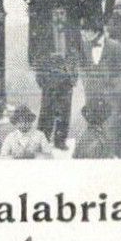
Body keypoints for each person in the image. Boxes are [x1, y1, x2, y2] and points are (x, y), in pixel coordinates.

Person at [35, 10, 79, 149]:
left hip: (66, 77)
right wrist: (40, 75)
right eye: (56, 14)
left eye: (62, 13)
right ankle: (43, 141)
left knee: (64, 110)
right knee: (47, 109)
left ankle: (60, 141)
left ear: (66, 16)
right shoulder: (45, 34)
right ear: (52, 16)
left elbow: (75, 54)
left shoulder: (71, 33)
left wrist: (73, 74)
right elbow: (39, 56)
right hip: (50, 76)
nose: (59, 17)